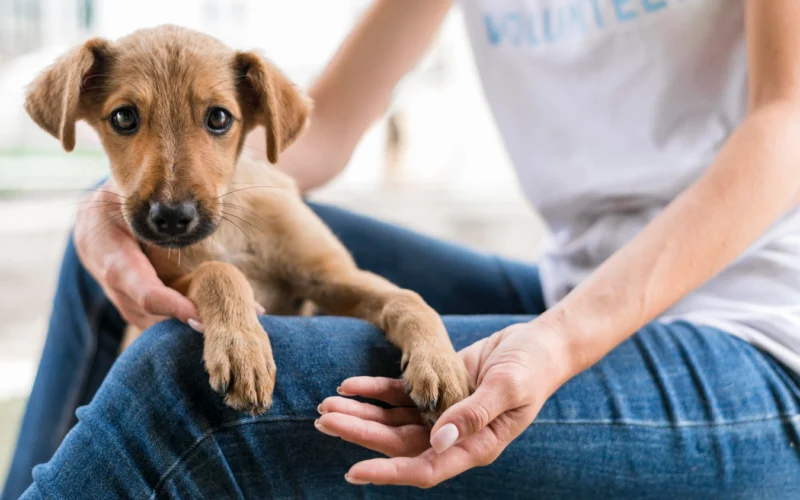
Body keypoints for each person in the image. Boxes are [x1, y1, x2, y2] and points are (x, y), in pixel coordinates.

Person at [4, 0, 800, 497]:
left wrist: (561, 340)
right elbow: (316, 139)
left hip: (756, 338)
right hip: (568, 286)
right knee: (106, 247)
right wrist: (110, 208)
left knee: (180, 385)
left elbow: (788, 122)